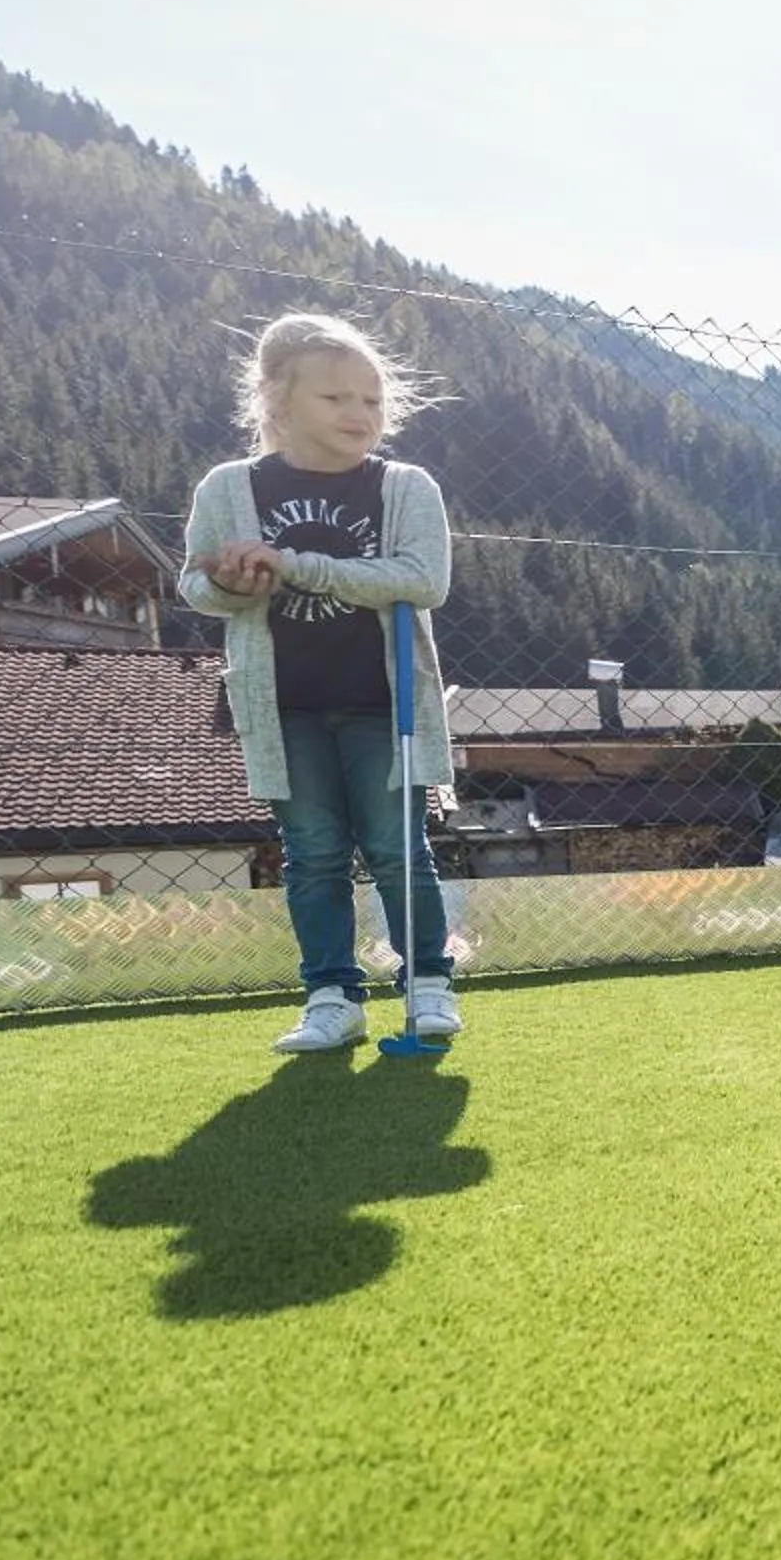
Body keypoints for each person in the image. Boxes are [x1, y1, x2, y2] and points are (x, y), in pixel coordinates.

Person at [180, 312, 461, 1054]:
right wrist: (236, 582)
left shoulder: (404, 486)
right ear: (279, 399)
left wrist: (294, 563)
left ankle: (428, 982)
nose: (359, 414)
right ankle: (332, 996)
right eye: (336, 398)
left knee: (401, 846)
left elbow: (421, 580)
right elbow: (197, 586)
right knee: (313, 850)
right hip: (284, 705)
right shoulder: (230, 488)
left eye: (371, 400)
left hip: (383, 699)